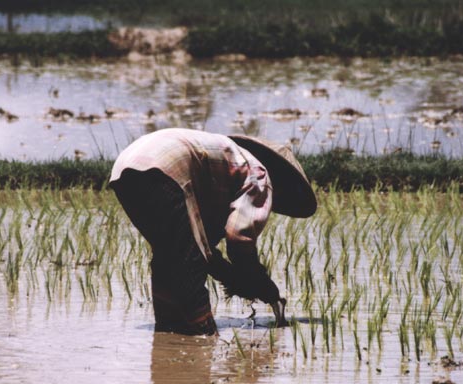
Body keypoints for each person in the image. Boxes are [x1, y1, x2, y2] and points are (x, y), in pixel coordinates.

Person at [109, 128, 317, 335]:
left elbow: (204, 250)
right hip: (166, 168)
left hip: (125, 170)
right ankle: (202, 336)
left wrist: (235, 279)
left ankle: (167, 335)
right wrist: (259, 282)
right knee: (189, 265)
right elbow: (239, 239)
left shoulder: (224, 167)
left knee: (169, 258)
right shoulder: (258, 173)